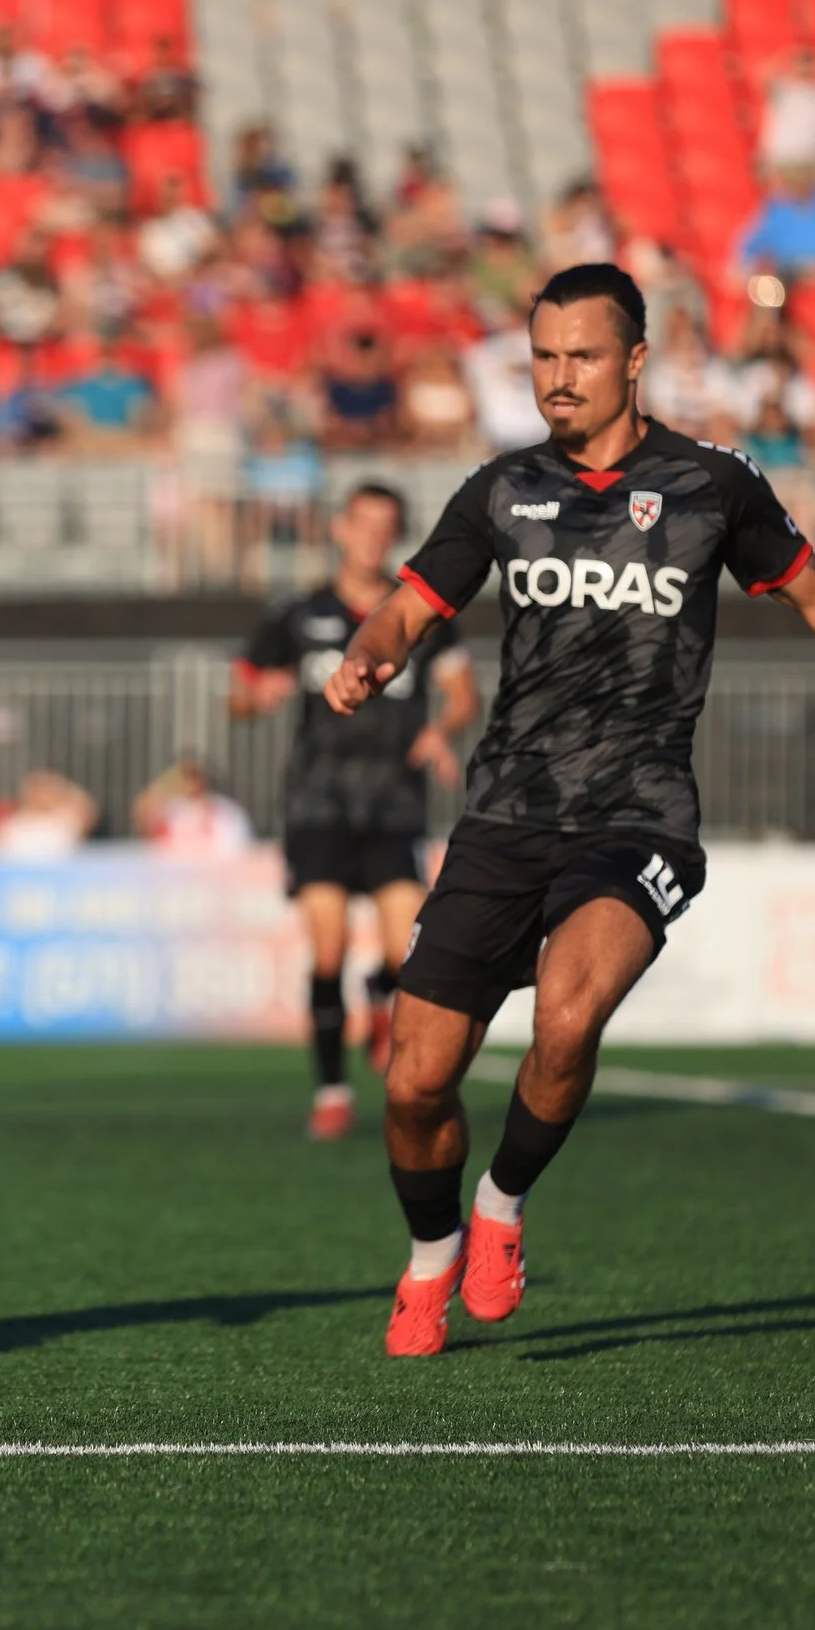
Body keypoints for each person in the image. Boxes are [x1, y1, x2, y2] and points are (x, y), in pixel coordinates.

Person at [324, 263, 815, 1358]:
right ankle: (430, 1254)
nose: (557, 378)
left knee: (569, 1016)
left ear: (634, 360)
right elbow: (405, 606)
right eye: (542, 356)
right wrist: (366, 657)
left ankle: (501, 1206)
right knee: (414, 1079)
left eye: (581, 355)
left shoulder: (710, 485)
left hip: (640, 814)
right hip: (504, 812)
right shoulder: (501, 489)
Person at [234, 483, 478, 1142]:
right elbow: (241, 690)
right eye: (362, 524)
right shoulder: (298, 612)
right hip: (320, 800)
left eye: (386, 527)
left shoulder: (421, 612)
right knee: (328, 947)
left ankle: (380, 996)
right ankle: (332, 1090)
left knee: (407, 951)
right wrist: (262, 695)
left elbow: (462, 694)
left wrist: (441, 731)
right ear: (340, 529)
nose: (372, 537)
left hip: (394, 799)